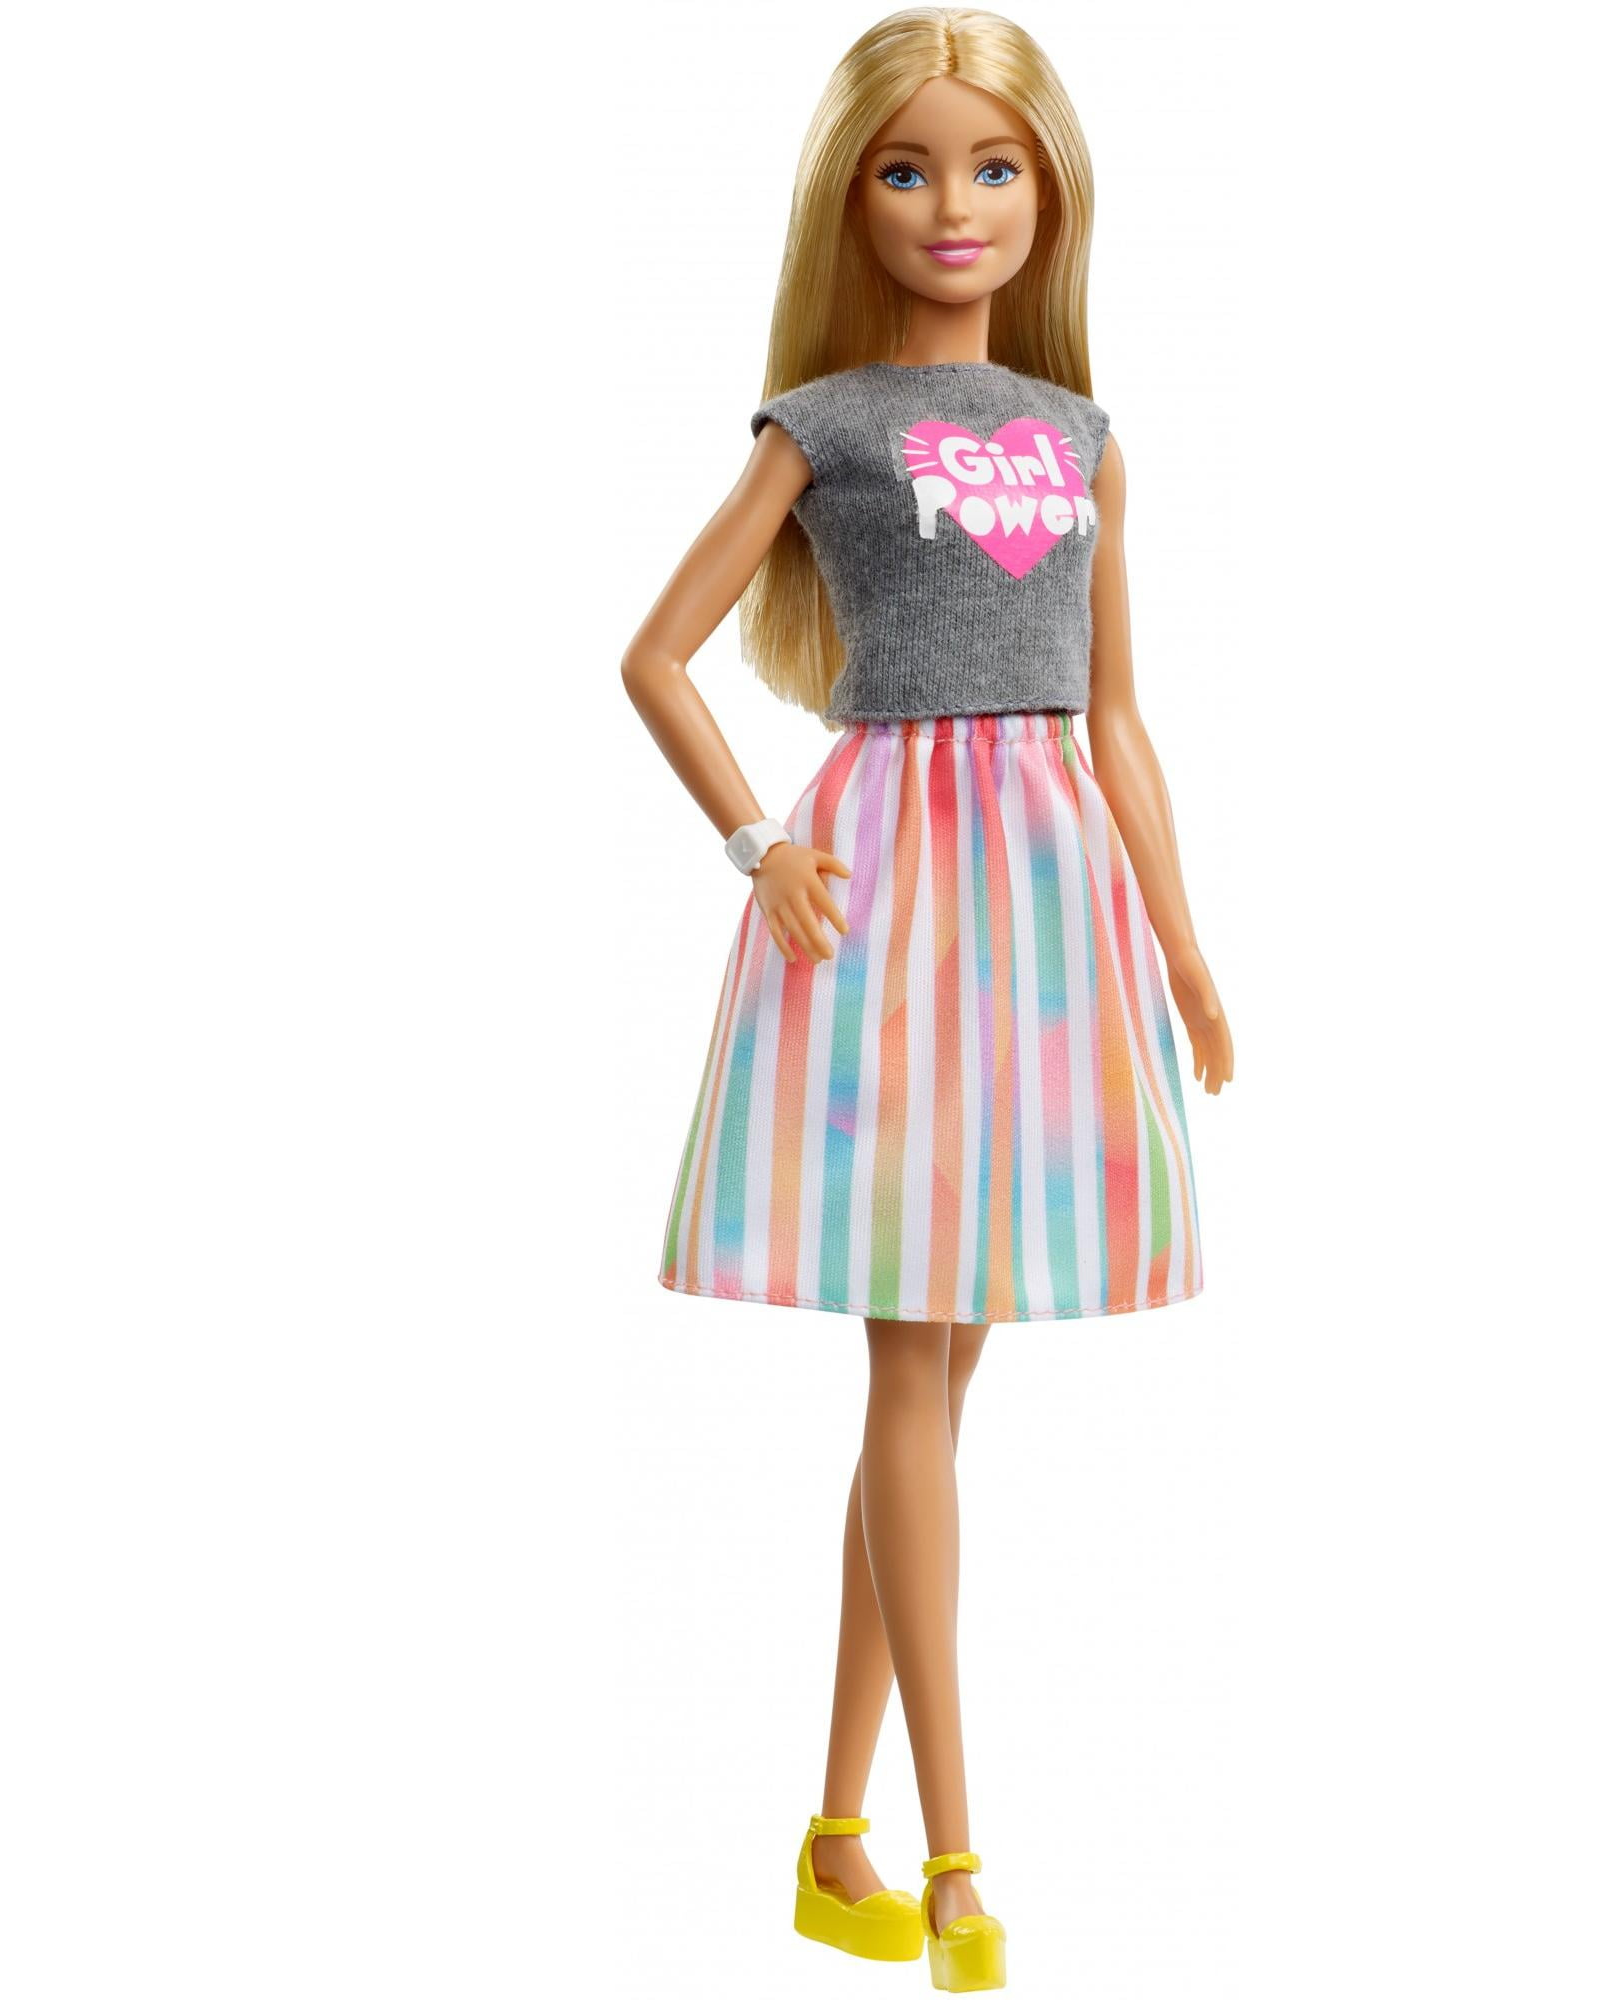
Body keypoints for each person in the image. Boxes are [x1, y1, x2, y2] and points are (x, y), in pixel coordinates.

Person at [621, 10, 1234, 1989]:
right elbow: (654, 655)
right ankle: (953, 1861)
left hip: (1048, 894)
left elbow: (1118, 715)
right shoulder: (822, 423)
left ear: (1048, 188)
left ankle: (830, 1839)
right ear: (848, 195)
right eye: (907, 167)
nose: (952, 203)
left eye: (991, 165)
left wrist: (1181, 939)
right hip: (885, 885)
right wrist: (756, 845)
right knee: (911, 1374)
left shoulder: (1082, 435)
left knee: (939, 1392)